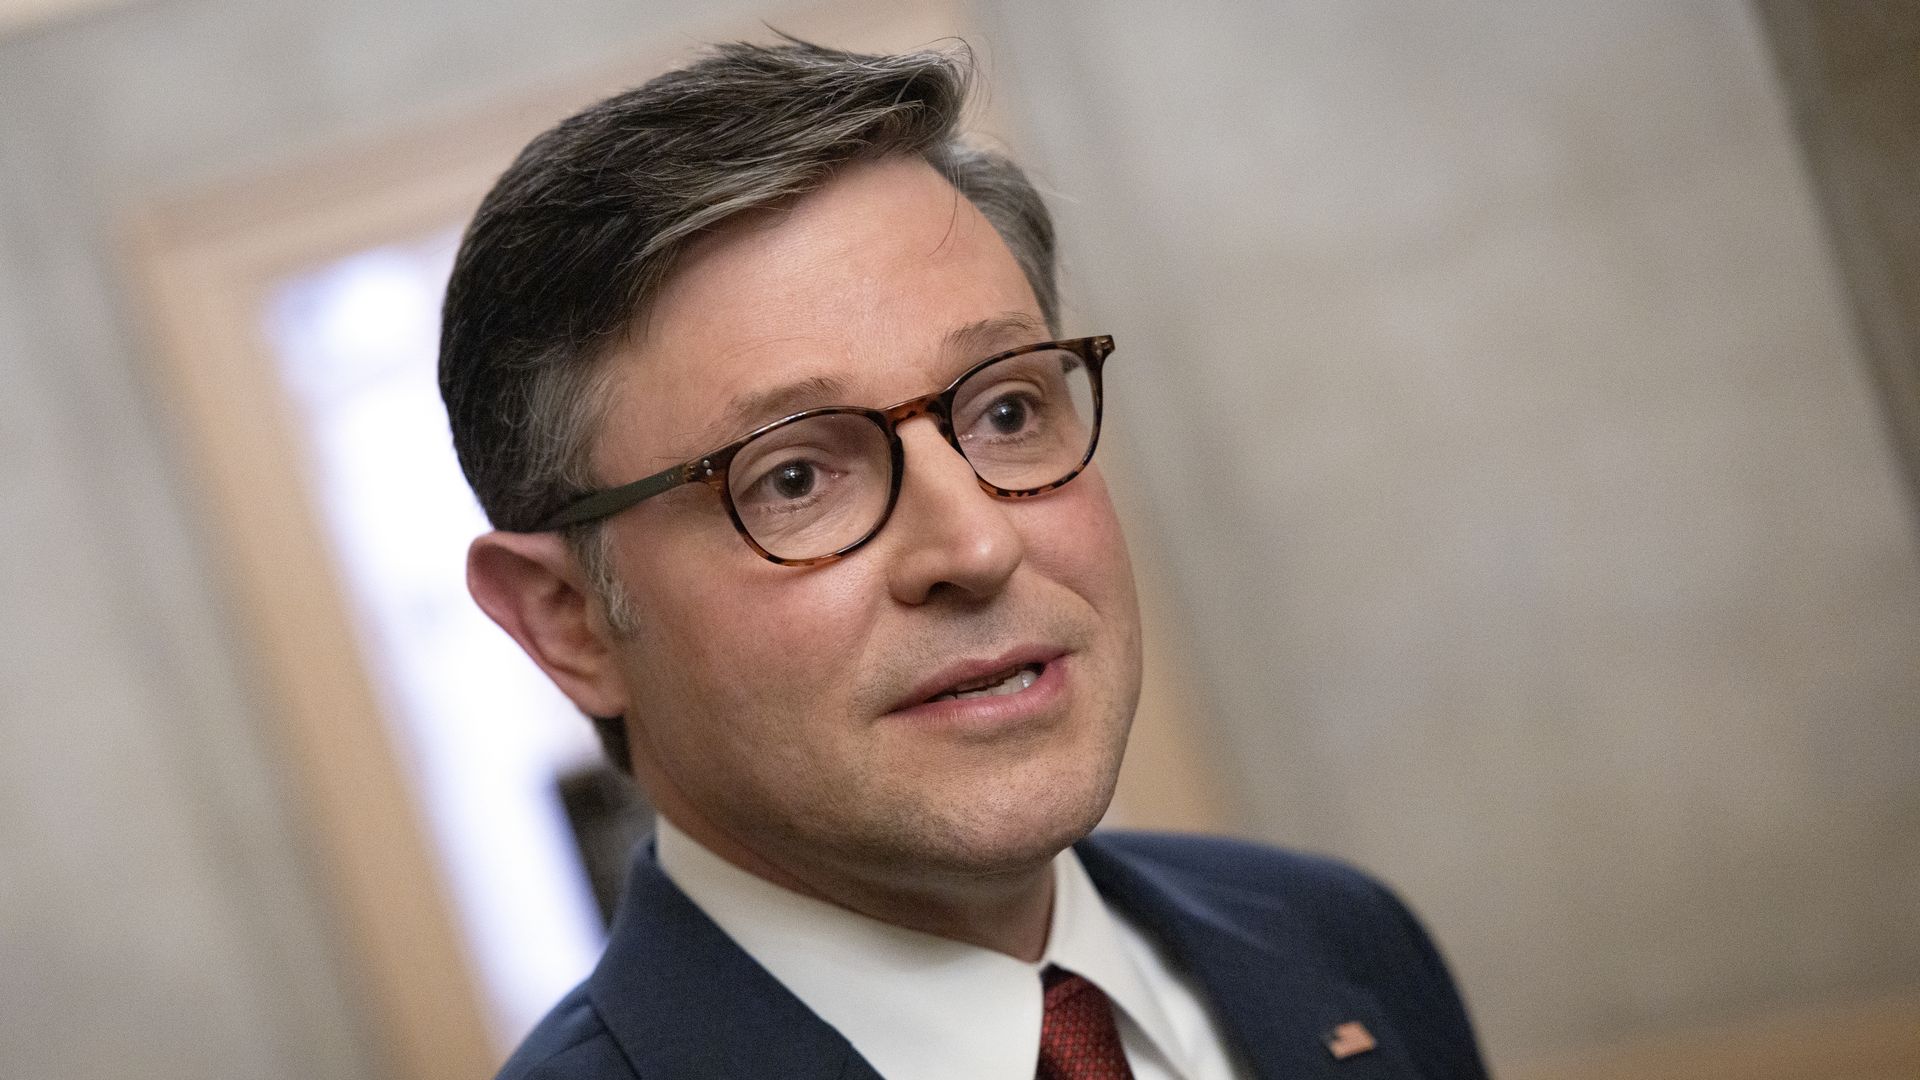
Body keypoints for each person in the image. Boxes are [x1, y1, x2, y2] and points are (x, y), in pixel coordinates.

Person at [440, 38, 1487, 1080]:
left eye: (1006, 408)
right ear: (567, 619)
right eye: (794, 477)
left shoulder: (1345, 944)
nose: (978, 544)